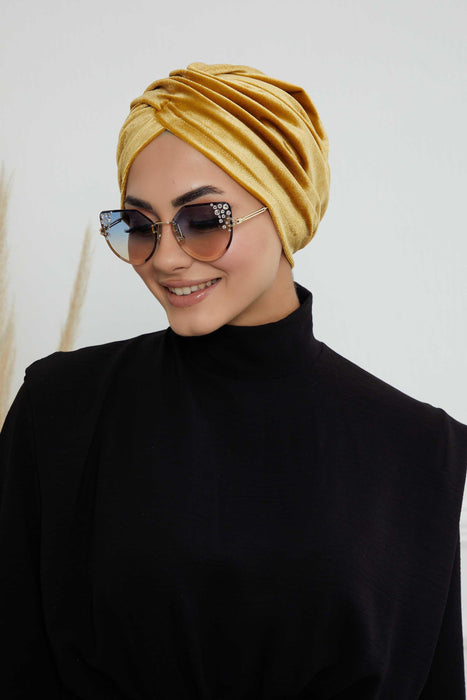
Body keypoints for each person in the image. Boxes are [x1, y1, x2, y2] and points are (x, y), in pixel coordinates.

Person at [1, 62, 466, 699]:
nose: (165, 258)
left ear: (286, 208)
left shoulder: (421, 450)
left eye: (203, 219)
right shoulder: (59, 408)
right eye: (138, 226)